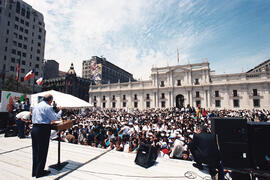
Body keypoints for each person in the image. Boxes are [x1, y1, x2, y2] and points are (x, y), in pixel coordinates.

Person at [31, 94, 62, 178]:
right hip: (43, 130)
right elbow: (55, 118)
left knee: (36, 151)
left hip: (34, 128)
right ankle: (40, 172)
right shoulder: (47, 107)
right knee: (42, 151)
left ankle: (35, 171)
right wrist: (60, 111)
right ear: (51, 100)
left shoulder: (36, 105)